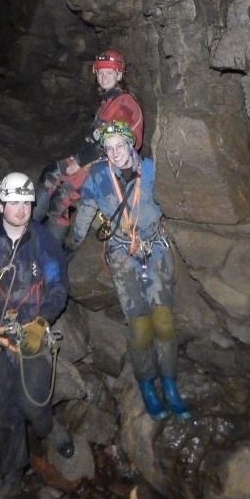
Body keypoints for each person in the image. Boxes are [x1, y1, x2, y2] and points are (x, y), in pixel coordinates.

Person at [0, 172, 73, 499]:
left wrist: (42, 321)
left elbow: (58, 285)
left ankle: (48, 428)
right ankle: (11, 478)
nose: (21, 210)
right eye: (14, 203)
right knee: (6, 410)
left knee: (33, 403)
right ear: (1, 205)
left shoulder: (42, 240)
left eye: (26, 203)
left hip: (31, 331)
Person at [63, 120, 191, 422]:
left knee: (164, 322)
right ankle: (147, 384)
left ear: (131, 144)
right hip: (122, 252)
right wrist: (71, 246)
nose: (115, 153)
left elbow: (175, 199)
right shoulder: (98, 175)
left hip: (155, 248)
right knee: (140, 326)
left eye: (120, 146)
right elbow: (86, 210)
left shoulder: (151, 169)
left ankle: (169, 383)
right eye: (109, 149)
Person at [33, 49, 143, 241]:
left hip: (113, 164)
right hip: (100, 156)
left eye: (109, 72)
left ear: (119, 75)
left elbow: (109, 144)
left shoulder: (123, 104)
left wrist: (79, 162)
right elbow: (95, 137)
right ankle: (26, 226)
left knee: (61, 197)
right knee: (50, 172)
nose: (104, 77)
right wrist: (76, 158)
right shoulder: (111, 99)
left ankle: (51, 249)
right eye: (100, 72)